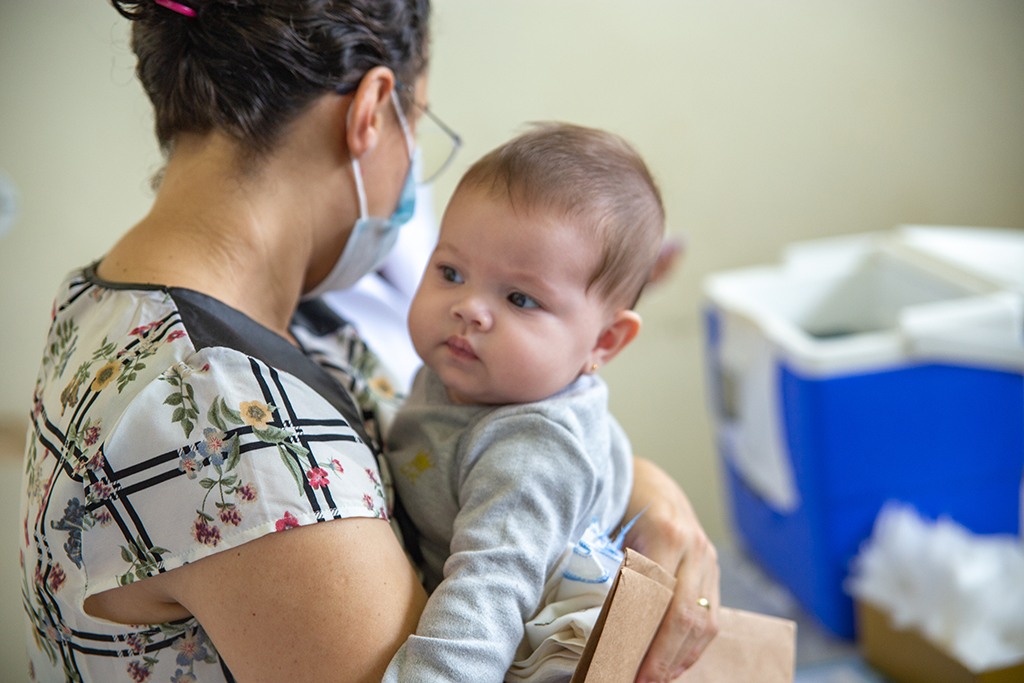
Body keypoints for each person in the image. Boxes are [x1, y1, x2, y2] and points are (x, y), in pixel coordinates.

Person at [18, 1, 718, 682]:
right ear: (372, 111)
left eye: (520, 297)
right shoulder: (237, 432)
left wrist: (633, 484)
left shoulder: (120, 297)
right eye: (416, 127)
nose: (470, 307)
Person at [381, 123, 675, 683]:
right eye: (451, 272)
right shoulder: (469, 369)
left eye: (519, 298)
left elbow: (486, 598)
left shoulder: (531, 451)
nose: (469, 308)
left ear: (603, 343)